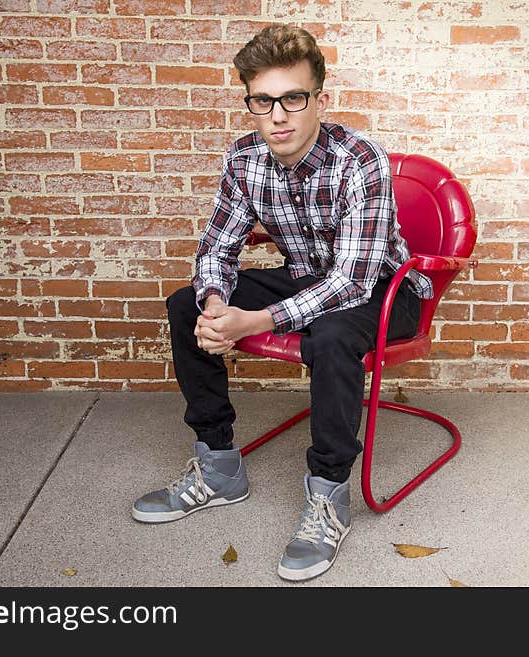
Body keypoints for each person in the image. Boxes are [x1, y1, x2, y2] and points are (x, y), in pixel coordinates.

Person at [132, 23, 432, 582]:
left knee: (334, 335)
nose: (278, 115)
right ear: (250, 102)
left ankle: (328, 495)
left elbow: (350, 282)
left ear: (319, 99)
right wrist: (219, 304)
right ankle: (219, 465)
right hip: (304, 279)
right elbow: (216, 246)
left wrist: (258, 318)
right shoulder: (245, 159)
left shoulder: (360, 160)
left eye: (293, 97)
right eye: (263, 100)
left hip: (384, 291)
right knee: (184, 304)